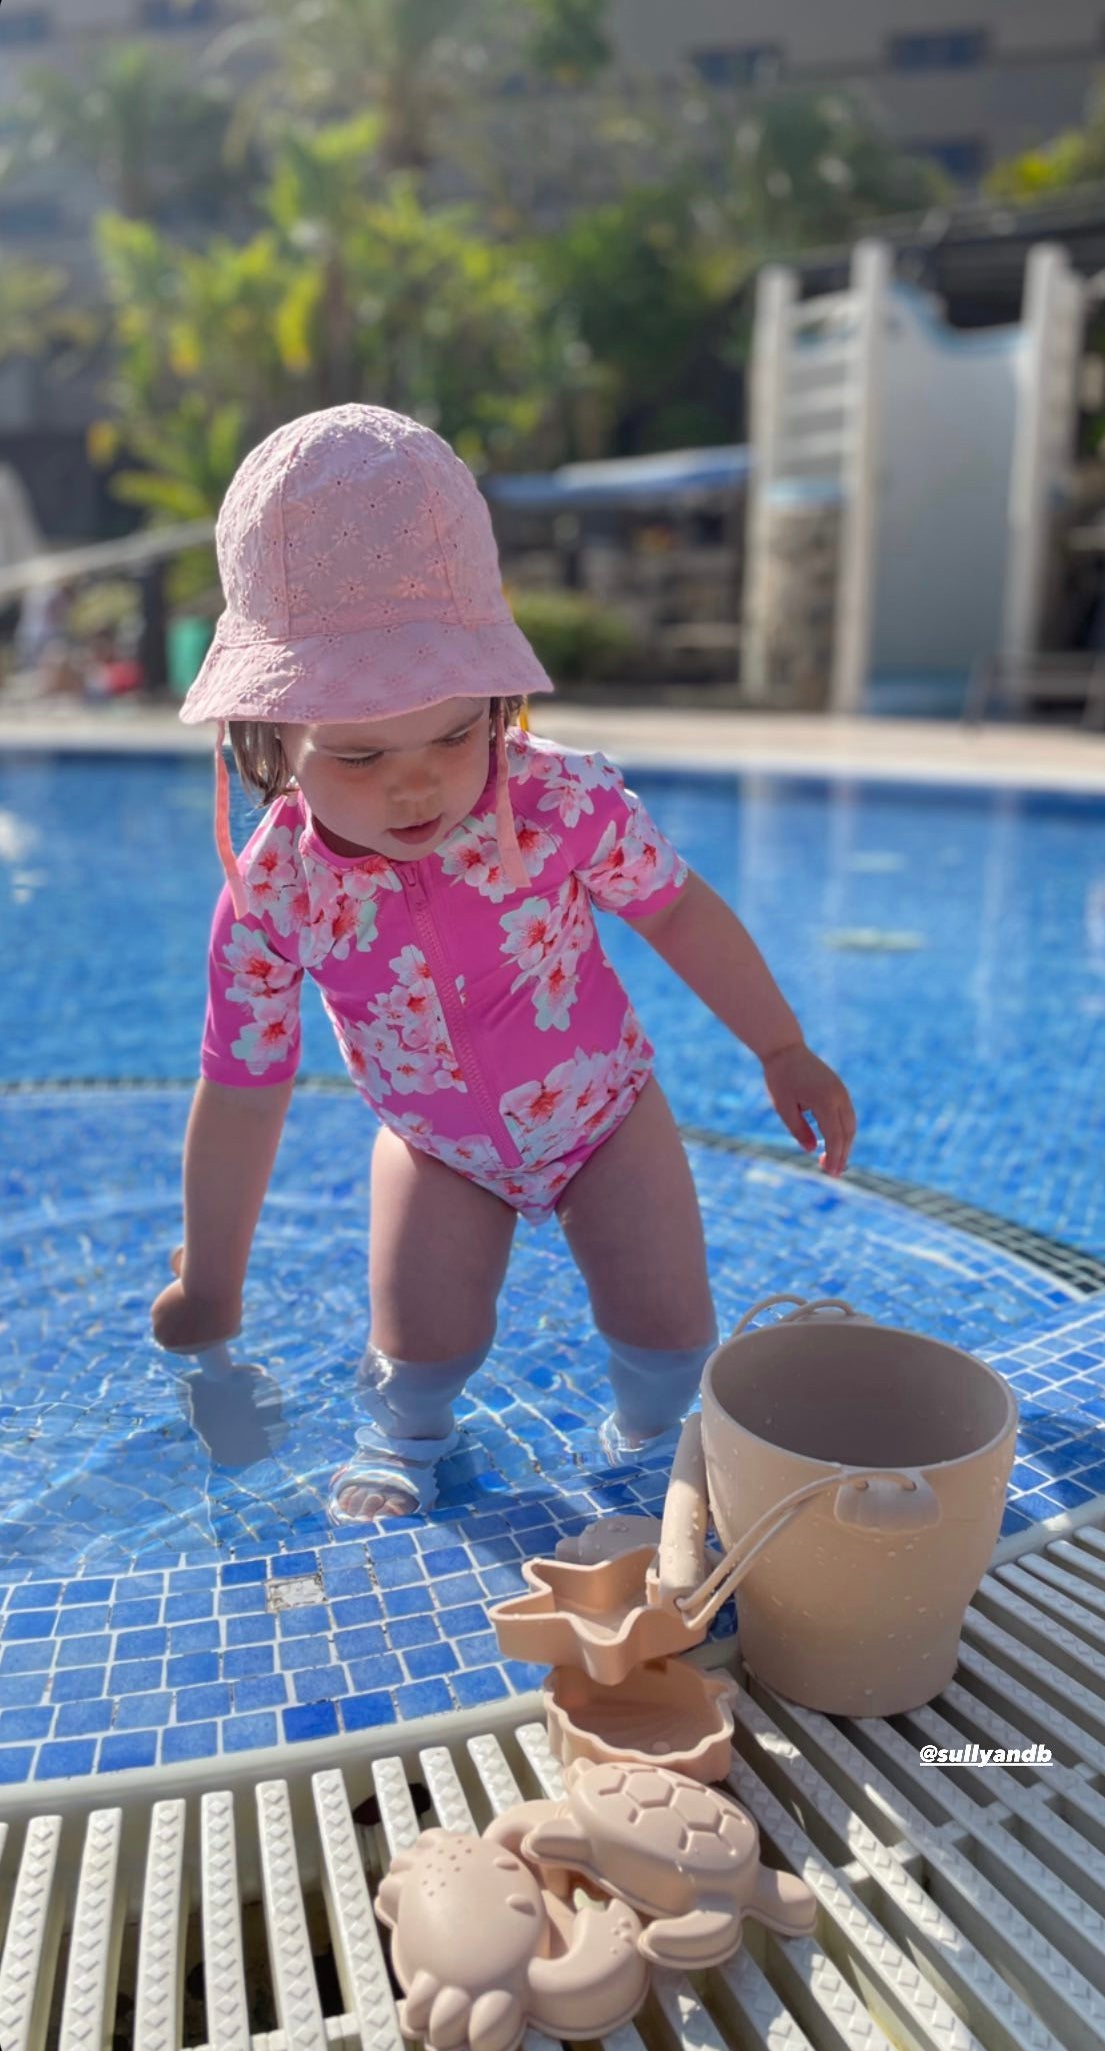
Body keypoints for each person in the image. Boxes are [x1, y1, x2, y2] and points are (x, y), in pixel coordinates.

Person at [150, 404, 856, 1525]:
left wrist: (781, 1042)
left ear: (497, 700)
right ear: (266, 732)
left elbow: (678, 915)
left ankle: (647, 1439)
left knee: (668, 1329)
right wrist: (213, 1286)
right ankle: (411, 1437)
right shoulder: (274, 889)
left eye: (454, 733)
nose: (417, 784)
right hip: (437, 1146)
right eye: (360, 755)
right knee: (420, 1346)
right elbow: (242, 1090)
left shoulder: (558, 798)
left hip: (604, 1111)